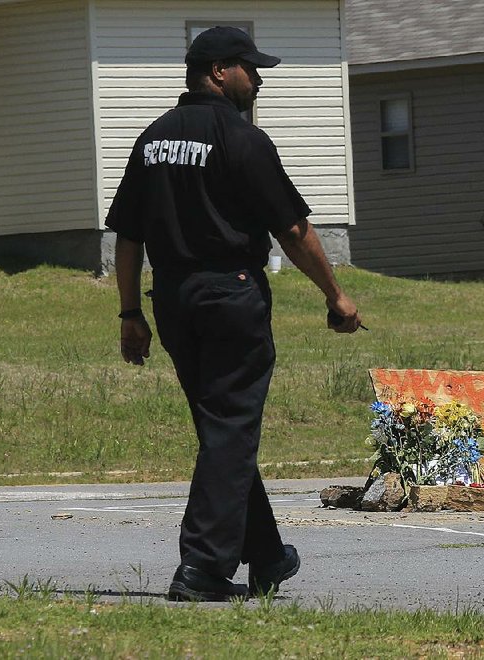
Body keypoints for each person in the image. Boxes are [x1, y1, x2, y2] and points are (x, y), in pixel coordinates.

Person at [105, 25, 362, 602]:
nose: (259, 77)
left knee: (220, 428)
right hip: (230, 297)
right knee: (230, 429)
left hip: (172, 301)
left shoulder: (151, 139)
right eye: (250, 66)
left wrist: (129, 312)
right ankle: (201, 568)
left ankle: (267, 554)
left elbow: (127, 236)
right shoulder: (243, 139)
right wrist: (335, 295)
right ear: (219, 71)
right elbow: (292, 230)